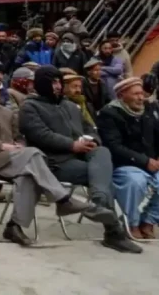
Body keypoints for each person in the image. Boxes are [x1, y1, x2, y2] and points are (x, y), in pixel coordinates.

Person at [19, 65, 142, 253]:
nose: (58, 86)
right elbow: (40, 135)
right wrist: (72, 145)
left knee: (102, 152)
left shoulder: (70, 106)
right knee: (102, 176)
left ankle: (99, 201)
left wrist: (92, 140)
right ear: (42, 84)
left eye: (59, 82)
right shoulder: (30, 107)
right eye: (53, 82)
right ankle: (114, 232)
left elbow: (90, 128)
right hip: (54, 163)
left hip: (81, 156)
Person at [0, 74, 92, 246]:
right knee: (33, 154)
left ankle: (14, 226)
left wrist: (19, 144)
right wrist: (2, 146)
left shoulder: (7, 113)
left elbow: (19, 136)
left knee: (29, 175)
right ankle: (62, 200)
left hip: (11, 160)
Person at [98, 77, 159, 240]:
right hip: (124, 164)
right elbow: (114, 147)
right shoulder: (109, 113)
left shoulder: (149, 109)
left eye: (141, 93)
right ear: (121, 96)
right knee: (135, 182)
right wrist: (145, 161)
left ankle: (148, 221)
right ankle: (131, 224)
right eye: (136, 94)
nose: (141, 98)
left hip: (152, 162)